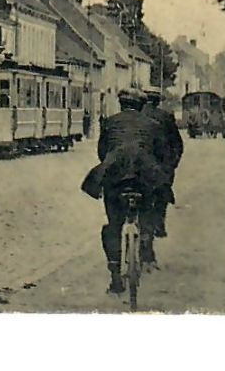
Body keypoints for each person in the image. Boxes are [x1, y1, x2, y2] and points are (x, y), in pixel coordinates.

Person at [84, 89, 169, 294]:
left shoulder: (110, 123)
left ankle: (115, 277)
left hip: (115, 177)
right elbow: (162, 155)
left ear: (121, 104)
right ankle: (147, 237)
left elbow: (102, 153)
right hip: (144, 177)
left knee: (114, 225)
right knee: (149, 208)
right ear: (142, 106)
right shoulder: (154, 126)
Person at [141, 87, 184, 239]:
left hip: (136, 167)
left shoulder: (136, 114)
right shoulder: (165, 117)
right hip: (159, 167)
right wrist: (172, 164)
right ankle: (159, 222)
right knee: (163, 191)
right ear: (158, 101)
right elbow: (177, 144)